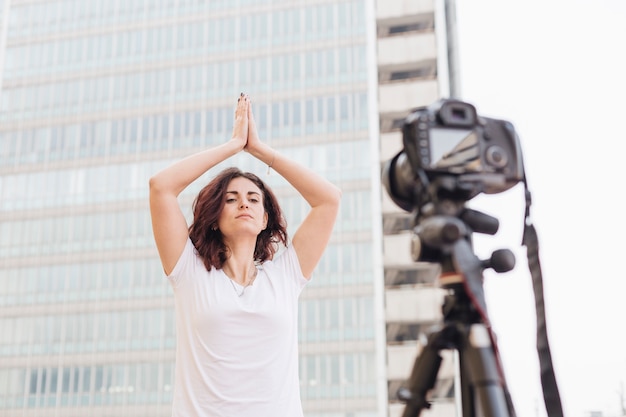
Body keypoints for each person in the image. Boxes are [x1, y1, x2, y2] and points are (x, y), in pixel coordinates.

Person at [149, 93, 341, 417]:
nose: (244, 204)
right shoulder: (189, 272)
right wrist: (233, 145)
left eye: (254, 199)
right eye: (231, 198)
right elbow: (160, 187)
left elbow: (329, 199)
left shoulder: (285, 276)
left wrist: (259, 149)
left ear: (265, 219)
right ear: (214, 215)